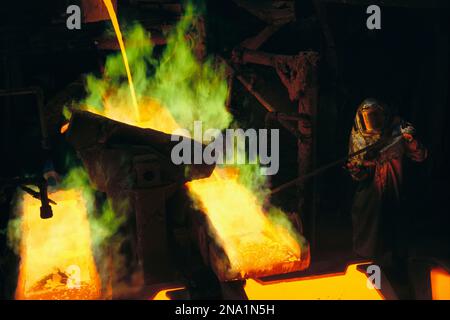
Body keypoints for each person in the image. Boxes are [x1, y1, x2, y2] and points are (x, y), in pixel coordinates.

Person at [346, 98, 427, 273]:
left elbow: (420, 155)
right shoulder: (358, 136)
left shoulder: (400, 129)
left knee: (396, 231)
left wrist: (411, 143)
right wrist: (357, 169)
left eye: (375, 116)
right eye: (368, 117)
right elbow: (359, 174)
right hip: (370, 195)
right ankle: (369, 275)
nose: (372, 121)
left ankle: (398, 273)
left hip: (395, 186)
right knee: (370, 236)